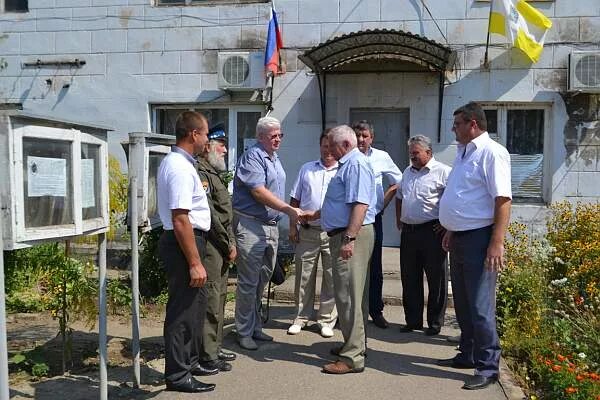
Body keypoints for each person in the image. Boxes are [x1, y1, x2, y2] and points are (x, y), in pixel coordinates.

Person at [438, 102, 512, 391]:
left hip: (481, 240)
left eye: (456, 124)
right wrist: (451, 230)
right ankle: (467, 354)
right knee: (465, 304)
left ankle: (488, 366)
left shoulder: (492, 153)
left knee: (480, 306)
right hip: (460, 238)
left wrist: (496, 242)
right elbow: (464, 197)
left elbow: (502, 200)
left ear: (472, 124)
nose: (453, 129)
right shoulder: (464, 152)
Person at [232, 116, 304, 351]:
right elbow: (259, 192)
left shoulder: (273, 157)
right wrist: (288, 209)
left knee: (262, 280)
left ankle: (254, 327)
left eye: (280, 135)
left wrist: (282, 212)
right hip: (252, 225)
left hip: (270, 226)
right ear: (261, 136)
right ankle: (243, 332)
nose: (278, 139)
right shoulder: (253, 156)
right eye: (273, 136)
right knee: (248, 282)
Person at [156, 111, 215, 393]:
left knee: (194, 309)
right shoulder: (178, 166)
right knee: (182, 313)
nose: (207, 140)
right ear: (193, 134)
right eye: (205, 134)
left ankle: (190, 364)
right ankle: (178, 376)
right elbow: (181, 219)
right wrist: (194, 262)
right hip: (184, 244)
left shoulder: (183, 163)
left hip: (191, 241)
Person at [320, 124, 376, 374]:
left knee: (348, 295)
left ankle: (353, 357)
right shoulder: (350, 164)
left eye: (331, 145)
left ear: (344, 145)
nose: (328, 150)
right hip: (345, 233)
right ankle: (354, 344)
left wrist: (349, 239)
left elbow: (360, 205)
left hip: (350, 235)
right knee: (354, 294)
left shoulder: (355, 165)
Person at [395, 135, 451, 336]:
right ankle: (413, 321)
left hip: (432, 232)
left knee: (436, 279)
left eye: (416, 153)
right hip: (409, 233)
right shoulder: (407, 172)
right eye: (411, 154)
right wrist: (399, 219)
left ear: (428, 152)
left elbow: (452, 200)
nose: (412, 157)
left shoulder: (444, 172)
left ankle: (434, 324)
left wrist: (446, 225)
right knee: (410, 278)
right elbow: (399, 196)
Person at [287, 130, 338, 338]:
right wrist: (292, 227)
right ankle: (301, 317)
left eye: (331, 146)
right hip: (308, 231)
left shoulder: (342, 171)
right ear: (320, 147)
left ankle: (326, 320)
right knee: (303, 277)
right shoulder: (307, 169)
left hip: (332, 233)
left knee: (332, 277)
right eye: (324, 146)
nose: (327, 150)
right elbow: (294, 200)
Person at [195, 123, 238, 374]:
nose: (225, 149)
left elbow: (226, 215)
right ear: (208, 145)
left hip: (221, 245)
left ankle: (215, 347)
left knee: (220, 297)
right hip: (212, 245)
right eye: (221, 144)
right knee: (211, 300)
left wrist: (230, 242)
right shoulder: (201, 172)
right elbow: (210, 216)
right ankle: (207, 355)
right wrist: (227, 243)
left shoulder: (213, 172)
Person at [352, 120, 402, 329]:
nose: (361, 139)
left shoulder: (381, 157)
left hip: (372, 219)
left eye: (365, 136)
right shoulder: (346, 156)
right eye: (358, 135)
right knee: (348, 268)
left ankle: (375, 310)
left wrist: (383, 203)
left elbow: (398, 181)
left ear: (371, 137)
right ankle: (349, 312)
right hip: (347, 220)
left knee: (374, 267)